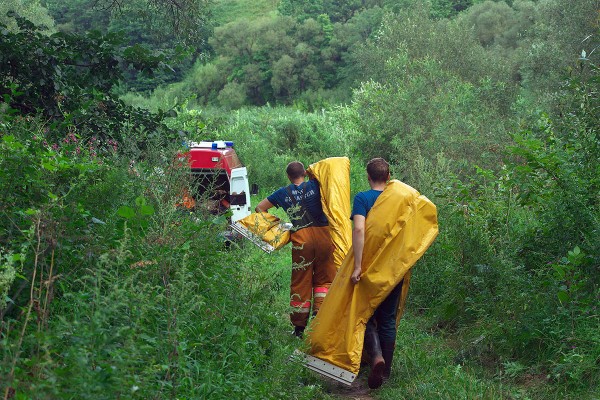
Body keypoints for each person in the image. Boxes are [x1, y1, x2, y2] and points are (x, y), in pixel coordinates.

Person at [256, 161, 337, 338]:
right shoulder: (316, 184)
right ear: (305, 174)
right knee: (325, 279)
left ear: (288, 177)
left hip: (301, 238)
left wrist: (279, 226)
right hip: (325, 237)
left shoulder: (281, 193)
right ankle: (320, 319)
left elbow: (259, 208)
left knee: (301, 282)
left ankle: (299, 329)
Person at [350, 157, 403, 389]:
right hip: (395, 266)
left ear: (368, 177)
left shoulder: (363, 198)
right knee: (388, 318)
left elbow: (359, 228)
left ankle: (375, 357)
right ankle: (386, 371)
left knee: (366, 313)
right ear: (389, 176)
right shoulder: (401, 200)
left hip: (370, 266)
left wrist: (358, 265)